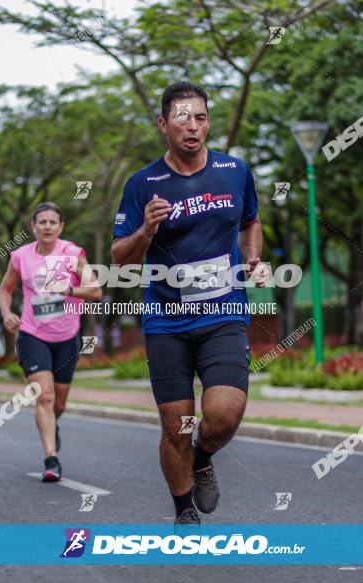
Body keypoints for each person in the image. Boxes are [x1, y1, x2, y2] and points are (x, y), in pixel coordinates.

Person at [112, 82, 268, 526]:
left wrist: (253, 255)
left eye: (200, 117)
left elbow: (251, 220)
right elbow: (118, 259)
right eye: (182, 118)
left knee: (222, 415)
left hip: (223, 314)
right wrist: (145, 230)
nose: (193, 126)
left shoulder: (235, 171)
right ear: (164, 125)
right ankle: (184, 511)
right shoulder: (143, 184)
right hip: (166, 322)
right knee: (176, 425)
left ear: (208, 122)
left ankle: (202, 457)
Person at [0, 202, 103, 481]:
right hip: (33, 335)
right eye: (41, 222)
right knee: (44, 395)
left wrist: (68, 288)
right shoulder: (21, 256)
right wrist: (7, 313)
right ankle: (51, 458)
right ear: (33, 227)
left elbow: (96, 291)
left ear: (61, 227)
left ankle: (52, 423)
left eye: (52, 222)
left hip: (67, 337)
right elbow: (6, 288)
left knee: (59, 402)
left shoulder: (71, 253)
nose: (46, 226)